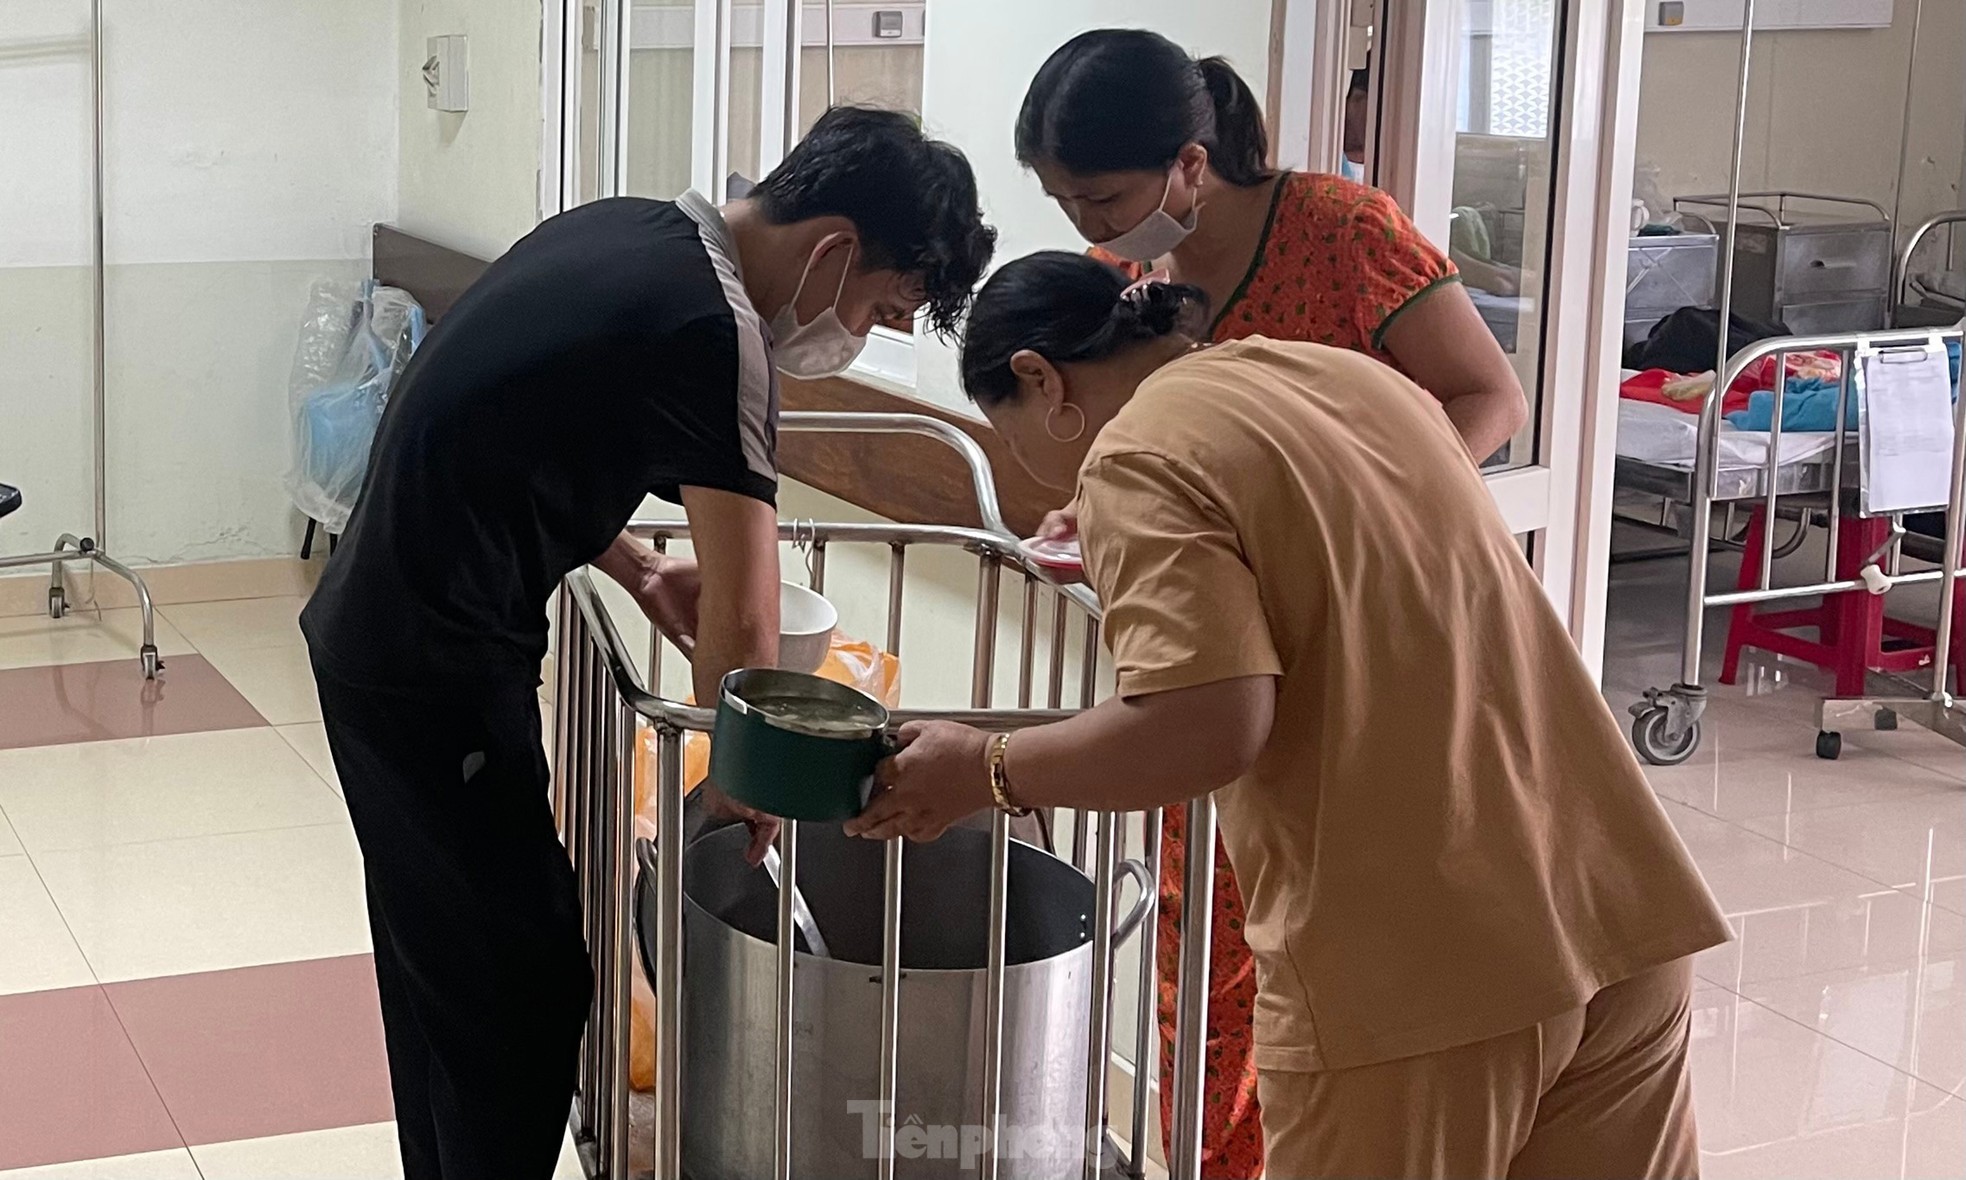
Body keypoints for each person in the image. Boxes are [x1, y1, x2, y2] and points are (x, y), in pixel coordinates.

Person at [847, 252, 1730, 1178]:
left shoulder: (1137, 457)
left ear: (1039, 378)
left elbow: (1204, 725)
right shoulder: (1339, 376)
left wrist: (985, 769)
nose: (1036, 468)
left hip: (1421, 974)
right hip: (1617, 910)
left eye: (1012, 434)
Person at [300, 107, 994, 1180]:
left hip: (380, 632)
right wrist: (746, 778)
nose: (854, 331)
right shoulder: (718, 327)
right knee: (519, 991)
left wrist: (634, 566)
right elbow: (753, 616)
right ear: (835, 248)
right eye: (877, 306)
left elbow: (523, 436)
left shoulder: (626, 228)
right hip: (430, 663)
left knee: (441, 969)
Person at [1013, 30, 1529, 1175]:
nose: (1087, 232)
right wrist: (1095, 515)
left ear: (1190, 164)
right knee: (1205, 965)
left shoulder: (1344, 234)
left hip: (1366, 659)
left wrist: (1371, 514)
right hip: (1218, 660)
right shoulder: (1134, 279)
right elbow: (1157, 450)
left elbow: (1487, 393)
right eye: (1062, 203)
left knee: (1336, 958)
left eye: (1099, 197)